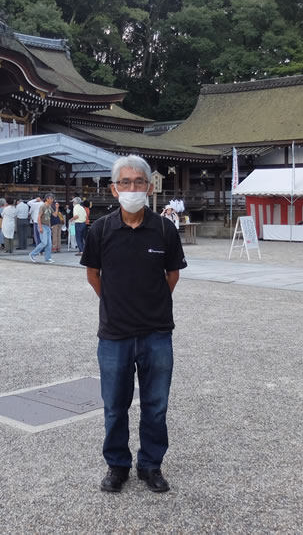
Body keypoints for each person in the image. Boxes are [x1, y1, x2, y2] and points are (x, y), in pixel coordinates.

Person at [80, 155, 187, 494]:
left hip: (157, 332)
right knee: (115, 407)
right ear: (114, 190)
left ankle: (151, 464)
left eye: (138, 182)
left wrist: (151, 302)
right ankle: (117, 465)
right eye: (124, 183)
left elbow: (172, 275)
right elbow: (93, 275)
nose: (131, 188)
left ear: (149, 187)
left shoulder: (165, 229)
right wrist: (115, 302)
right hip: (114, 334)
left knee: (156, 406)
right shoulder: (100, 230)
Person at [28, 193, 54, 263]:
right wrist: (40, 227)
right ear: (47, 199)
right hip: (42, 225)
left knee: (49, 243)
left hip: (47, 225)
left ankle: (48, 257)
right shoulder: (42, 206)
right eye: (51, 199)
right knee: (44, 242)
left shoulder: (48, 206)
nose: (52, 200)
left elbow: (53, 215)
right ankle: (33, 254)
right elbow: (39, 217)